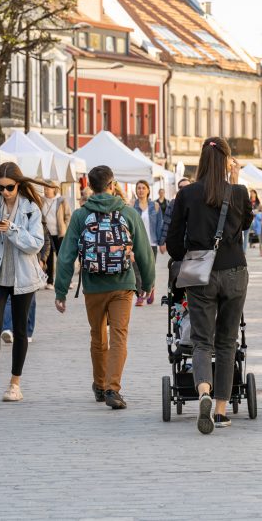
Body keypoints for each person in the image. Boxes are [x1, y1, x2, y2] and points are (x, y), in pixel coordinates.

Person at [167, 137, 252, 434]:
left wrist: (187, 257)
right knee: (228, 342)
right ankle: (219, 410)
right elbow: (245, 227)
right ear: (227, 161)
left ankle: (203, 389)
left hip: (200, 272)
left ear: (201, 160)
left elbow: (173, 241)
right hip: (234, 270)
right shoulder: (238, 192)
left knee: (202, 340)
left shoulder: (187, 194)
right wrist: (235, 181)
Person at [54, 165, 155, 410]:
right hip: (123, 284)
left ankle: (100, 385)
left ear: (90, 186)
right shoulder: (128, 212)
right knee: (119, 335)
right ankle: (113, 388)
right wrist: (148, 283)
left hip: (93, 285)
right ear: (112, 185)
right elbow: (143, 251)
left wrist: (61, 291)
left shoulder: (81, 215)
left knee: (98, 336)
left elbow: (66, 254)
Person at [0, 162, 48, 404]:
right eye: (0, 187)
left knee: (20, 329)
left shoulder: (31, 208)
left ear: (18, 184)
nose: (5, 191)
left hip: (23, 276)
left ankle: (15, 384)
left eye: (10, 187)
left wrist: (12, 229)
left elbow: (35, 243)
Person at [132, 179, 165, 307]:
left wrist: (162, 242)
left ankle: (150, 288)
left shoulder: (155, 206)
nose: (141, 190)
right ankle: (140, 295)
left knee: (149, 269)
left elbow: (160, 225)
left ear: (148, 190)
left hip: (151, 243)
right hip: (136, 243)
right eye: (138, 188)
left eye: (143, 188)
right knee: (136, 271)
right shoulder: (132, 206)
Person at [42, 181, 69, 288]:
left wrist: (65, 228)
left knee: (62, 258)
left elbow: (67, 216)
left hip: (59, 233)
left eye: (48, 188)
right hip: (46, 233)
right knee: (48, 258)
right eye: (44, 188)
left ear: (54, 189)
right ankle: (50, 281)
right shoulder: (41, 200)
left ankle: (67, 281)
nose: (46, 190)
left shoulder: (61, 200)